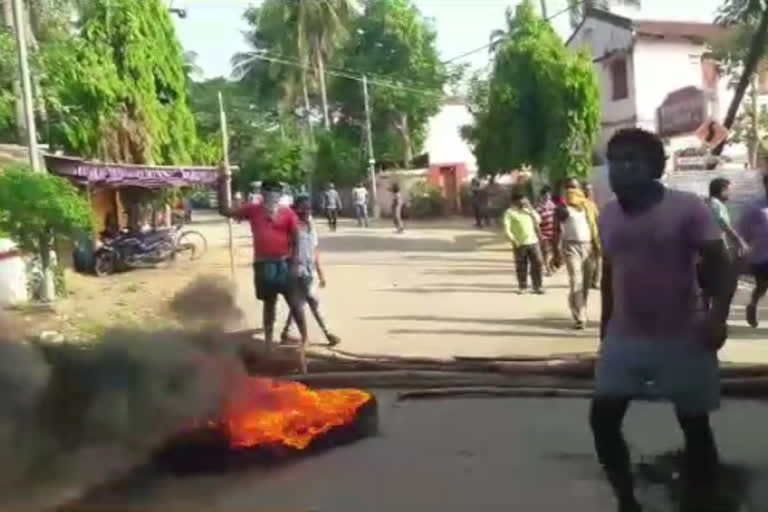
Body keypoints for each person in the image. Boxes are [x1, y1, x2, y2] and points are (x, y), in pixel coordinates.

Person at [592, 128, 732, 512]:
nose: (620, 169)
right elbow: (609, 277)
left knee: (694, 425)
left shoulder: (687, 209)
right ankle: (626, 500)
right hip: (625, 339)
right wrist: (605, 334)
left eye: (632, 161)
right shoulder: (607, 216)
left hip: (683, 337)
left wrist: (718, 319)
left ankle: (703, 499)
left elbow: (724, 266)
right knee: (602, 421)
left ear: (655, 167)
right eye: (614, 161)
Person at [218, 179, 308, 350]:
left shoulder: (288, 213)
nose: (271, 195)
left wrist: (295, 264)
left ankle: (305, 338)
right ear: (262, 194)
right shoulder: (253, 210)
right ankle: (268, 340)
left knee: (294, 302)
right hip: (263, 264)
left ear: (280, 195)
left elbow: (297, 239)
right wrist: (222, 182)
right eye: (268, 192)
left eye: (275, 192)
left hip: (284, 262)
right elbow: (225, 211)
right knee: (269, 303)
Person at [280, 195, 341, 347]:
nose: (307, 211)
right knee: (312, 300)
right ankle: (327, 333)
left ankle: (287, 332)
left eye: (308, 208)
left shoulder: (310, 225)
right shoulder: (289, 225)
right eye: (303, 208)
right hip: (295, 270)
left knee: (299, 302)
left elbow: (314, 250)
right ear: (296, 208)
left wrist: (320, 272)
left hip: (308, 270)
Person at [557, 178, 600, 329]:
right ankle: (580, 317)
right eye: (568, 188)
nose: (571, 191)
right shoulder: (562, 208)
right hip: (571, 247)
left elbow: (597, 228)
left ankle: (577, 306)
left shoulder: (589, 207)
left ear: (580, 189)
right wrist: (556, 253)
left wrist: (598, 247)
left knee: (586, 283)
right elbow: (557, 230)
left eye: (574, 187)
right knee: (576, 280)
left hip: (589, 247)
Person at [738, 172, 768, 328]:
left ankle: (753, 303)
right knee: (762, 285)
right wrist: (743, 247)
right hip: (762, 255)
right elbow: (742, 230)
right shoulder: (754, 207)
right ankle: (753, 304)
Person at [503, 189, 544, 294]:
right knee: (521, 266)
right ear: (515, 201)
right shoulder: (510, 213)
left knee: (538, 263)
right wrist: (513, 239)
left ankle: (538, 286)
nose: (522, 203)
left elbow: (539, 220)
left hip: (533, 241)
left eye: (524, 201)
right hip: (520, 243)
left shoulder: (528, 211)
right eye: (520, 201)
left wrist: (530, 209)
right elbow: (507, 228)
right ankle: (523, 286)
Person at [583, 181, 602, 290]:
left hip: (595, 234)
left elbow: (598, 219)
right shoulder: (583, 204)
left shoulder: (592, 204)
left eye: (590, 190)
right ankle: (591, 281)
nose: (589, 192)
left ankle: (595, 281)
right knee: (590, 260)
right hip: (587, 235)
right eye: (587, 190)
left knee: (598, 259)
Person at [536, 185, 557, 275]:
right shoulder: (538, 207)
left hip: (554, 232)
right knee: (546, 251)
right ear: (541, 196)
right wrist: (538, 234)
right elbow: (536, 221)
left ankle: (551, 265)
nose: (547, 197)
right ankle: (547, 268)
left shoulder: (553, 205)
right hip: (543, 233)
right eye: (545, 196)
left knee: (555, 251)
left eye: (548, 195)